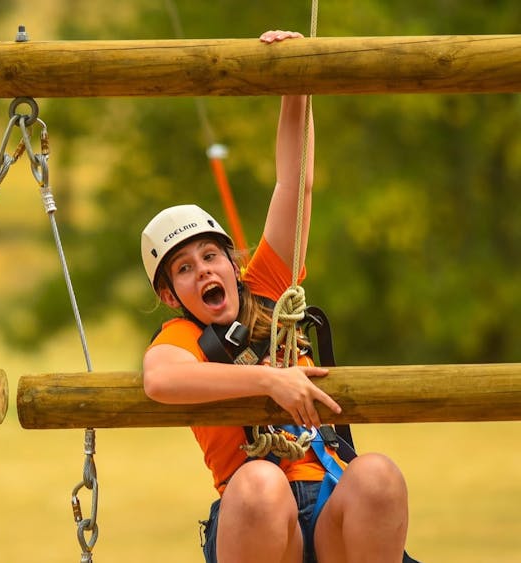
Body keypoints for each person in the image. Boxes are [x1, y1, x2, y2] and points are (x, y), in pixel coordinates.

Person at [140, 30, 414, 563]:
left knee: (378, 474)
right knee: (262, 480)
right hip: (261, 522)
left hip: (333, 500)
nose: (203, 272)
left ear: (233, 263)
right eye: (184, 269)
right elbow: (160, 378)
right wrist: (270, 378)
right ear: (172, 296)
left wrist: (295, 82)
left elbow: (295, 183)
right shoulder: (182, 337)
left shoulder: (266, 286)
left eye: (211, 256)